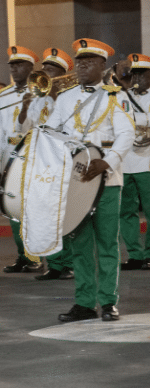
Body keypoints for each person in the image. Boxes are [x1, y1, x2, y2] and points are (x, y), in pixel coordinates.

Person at [44, 38, 133, 322]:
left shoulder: (115, 96)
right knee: (80, 243)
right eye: (79, 62)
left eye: (89, 62)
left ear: (102, 66)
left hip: (107, 178)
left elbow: (126, 134)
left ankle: (108, 302)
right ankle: (84, 302)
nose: (81, 67)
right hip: (77, 179)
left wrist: (108, 161)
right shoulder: (65, 98)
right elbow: (51, 132)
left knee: (107, 243)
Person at [23, 48, 77, 281]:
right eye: (44, 68)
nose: (46, 73)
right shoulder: (38, 98)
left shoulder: (71, 96)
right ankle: (54, 264)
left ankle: (69, 263)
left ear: (63, 74)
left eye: (51, 70)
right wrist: (26, 106)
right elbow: (26, 128)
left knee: (65, 212)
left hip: (65, 158)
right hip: (43, 160)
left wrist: (55, 96)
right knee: (45, 209)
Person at [0, 46, 42, 273]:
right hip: (10, 157)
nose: (14, 69)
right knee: (12, 208)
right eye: (12, 65)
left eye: (19, 64)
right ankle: (23, 255)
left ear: (31, 67)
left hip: (33, 154)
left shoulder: (41, 92)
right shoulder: (3, 95)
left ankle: (35, 256)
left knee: (33, 208)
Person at [118, 53, 150, 270]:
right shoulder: (122, 96)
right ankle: (135, 255)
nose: (137, 78)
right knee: (126, 211)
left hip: (147, 162)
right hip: (126, 161)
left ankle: (149, 254)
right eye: (133, 74)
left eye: (141, 74)